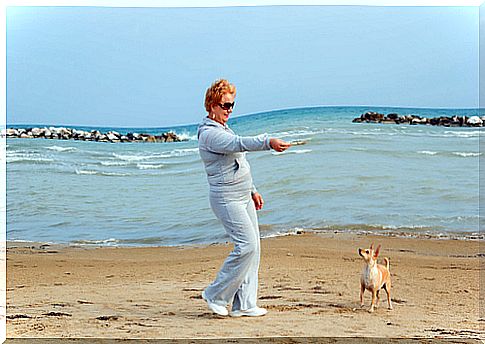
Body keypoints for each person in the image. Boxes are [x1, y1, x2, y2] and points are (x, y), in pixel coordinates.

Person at [197, 79, 291, 317]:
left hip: (243, 195)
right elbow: (238, 144)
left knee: (254, 248)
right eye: (224, 105)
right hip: (226, 199)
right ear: (211, 105)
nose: (229, 110)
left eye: (232, 105)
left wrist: (253, 190)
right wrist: (268, 142)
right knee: (246, 246)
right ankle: (215, 295)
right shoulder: (209, 134)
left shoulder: (224, 128)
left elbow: (239, 161)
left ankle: (245, 304)